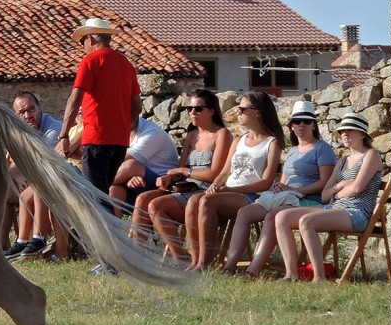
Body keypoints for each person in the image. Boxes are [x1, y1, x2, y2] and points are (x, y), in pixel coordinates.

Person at [228, 100, 336, 277]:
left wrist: (297, 190)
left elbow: (325, 183)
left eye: (307, 121)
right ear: (291, 126)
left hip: (308, 200)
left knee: (272, 216)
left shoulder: (322, 149)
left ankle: (253, 271)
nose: (302, 125)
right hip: (287, 195)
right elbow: (284, 180)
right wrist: (280, 187)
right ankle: (229, 266)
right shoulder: (293, 151)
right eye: (297, 121)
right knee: (245, 213)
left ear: (314, 125)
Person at [272, 112, 383, 283]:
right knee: (281, 217)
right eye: (342, 131)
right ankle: (291, 274)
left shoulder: (371, 155)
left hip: (357, 212)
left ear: (362, 134)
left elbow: (357, 188)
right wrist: (342, 185)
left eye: (350, 130)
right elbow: (325, 195)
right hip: (334, 208)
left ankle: (319, 277)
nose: (344, 134)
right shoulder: (343, 161)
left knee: (307, 221)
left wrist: (339, 191)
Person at [183, 91, 284, 271]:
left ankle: (205, 263)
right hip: (230, 190)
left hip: (252, 196)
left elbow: (266, 181)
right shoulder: (239, 140)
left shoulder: (272, 143)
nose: (238, 113)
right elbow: (225, 171)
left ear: (257, 112)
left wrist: (233, 189)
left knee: (206, 201)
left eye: (242, 109)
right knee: (193, 201)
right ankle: (196, 259)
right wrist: (216, 184)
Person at [129, 89, 233, 264]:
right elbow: (180, 168)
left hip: (205, 190)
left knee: (155, 205)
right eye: (189, 109)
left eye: (198, 109)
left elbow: (215, 173)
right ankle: (136, 254)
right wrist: (169, 178)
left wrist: (184, 172)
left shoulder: (222, 134)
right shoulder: (193, 135)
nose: (192, 113)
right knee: (142, 199)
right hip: (186, 186)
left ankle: (180, 256)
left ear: (212, 111)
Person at [57, 18, 141, 197]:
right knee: (102, 193)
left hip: (96, 139)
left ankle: (108, 226)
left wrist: (64, 134)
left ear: (91, 39)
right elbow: (137, 106)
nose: (83, 46)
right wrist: (122, 124)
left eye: (83, 41)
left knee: (96, 197)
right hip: (119, 142)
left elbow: (75, 99)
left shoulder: (90, 61)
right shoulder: (126, 65)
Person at [5, 91, 63, 259]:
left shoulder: (54, 129)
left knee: (36, 190)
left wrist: (18, 170)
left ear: (40, 108)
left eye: (31, 109)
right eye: (22, 112)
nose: (27, 115)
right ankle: (5, 243)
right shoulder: (17, 130)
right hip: (34, 181)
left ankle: (38, 238)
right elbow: (12, 161)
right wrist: (16, 174)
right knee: (3, 194)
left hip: (55, 181)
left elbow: (44, 163)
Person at [108, 114, 180, 214]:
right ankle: (112, 228)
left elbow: (120, 162)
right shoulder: (116, 130)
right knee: (115, 190)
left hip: (163, 184)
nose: (126, 116)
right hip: (136, 181)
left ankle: (93, 186)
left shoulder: (152, 132)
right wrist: (126, 180)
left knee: (131, 165)